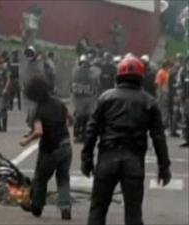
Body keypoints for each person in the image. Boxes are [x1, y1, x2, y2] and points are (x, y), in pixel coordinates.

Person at [81, 55, 172, 225]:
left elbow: (91, 131)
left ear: (118, 75)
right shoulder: (149, 102)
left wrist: (86, 159)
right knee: (133, 213)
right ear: (141, 77)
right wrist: (164, 167)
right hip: (134, 160)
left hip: (107, 157)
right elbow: (158, 137)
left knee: (98, 209)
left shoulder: (106, 98)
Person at [19, 76, 74, 220]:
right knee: (63, 178)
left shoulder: (39, 110)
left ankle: (37, 206)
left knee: (40, 178)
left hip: (50, 149)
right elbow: (71, 119)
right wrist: (61, 127)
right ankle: (65, 207)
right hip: (66, 146)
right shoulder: (59, 103)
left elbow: (38, 131)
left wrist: (26, 140)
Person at [71, 55, 98, 143]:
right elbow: (72, 86)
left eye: (86, 64)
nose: (84, 66)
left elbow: (96, 86)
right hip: (80, 99)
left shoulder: (91, 74)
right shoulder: (76, 72)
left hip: (86, 99)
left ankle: (82, 134)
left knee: (86, 117)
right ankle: (78, 134)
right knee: (79, 117)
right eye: (83, 64)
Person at [155, 60, 173, 126]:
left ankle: (164, 122)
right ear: (165, 66)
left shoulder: (166, 72)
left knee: (165, 108)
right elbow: (159, 84)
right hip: (162, 92)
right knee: (162, 108)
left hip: (166, 92)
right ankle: (162, 122)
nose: (169, 67)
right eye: (168, 66)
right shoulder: (160, 72)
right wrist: (160, 94)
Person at [178, 55, 189, 147]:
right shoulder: (183, 72)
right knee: (185, 119)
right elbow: (180, 85)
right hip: (186, 100)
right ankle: (186, 139)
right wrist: (181, 96)